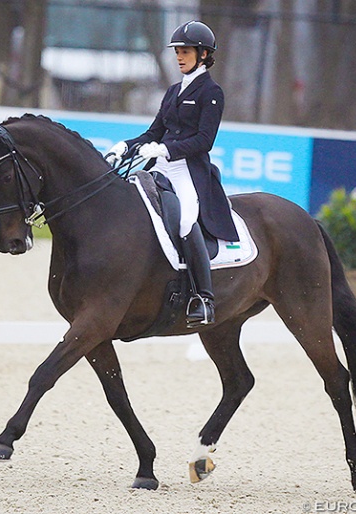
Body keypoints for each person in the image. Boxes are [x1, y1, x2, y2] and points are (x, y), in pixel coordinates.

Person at [105, 20, 238, 328]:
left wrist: (166, 150)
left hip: (188, 170)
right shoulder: (173, 91)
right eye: (178, 51)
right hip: (160, 165)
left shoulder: (212, 92)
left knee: (185, 220)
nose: (179, 57)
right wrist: (125, 146)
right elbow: (154, 132)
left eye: (186, 51)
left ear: (203, 55)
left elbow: (205, 140)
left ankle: (203, 298)